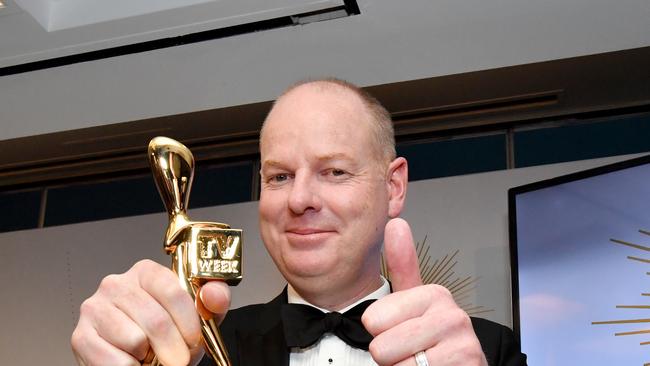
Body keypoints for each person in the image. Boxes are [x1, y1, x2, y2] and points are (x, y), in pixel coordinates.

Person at [71, 78, 527, 366]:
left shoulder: (490, 351)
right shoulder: (194, 352)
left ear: (393, 187)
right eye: (280, 176)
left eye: (334, 172)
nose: (300, 199)